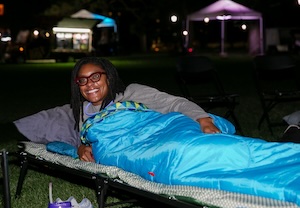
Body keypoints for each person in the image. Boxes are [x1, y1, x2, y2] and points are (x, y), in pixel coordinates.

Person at [70, 57, 220, 162]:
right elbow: (89, 140)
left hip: (159, 140)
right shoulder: (84, 112)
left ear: (108, 78)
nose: (89, 84)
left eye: (95, 77)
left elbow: (175, 103)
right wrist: (81, 148)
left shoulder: (131, 93)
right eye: (82, 80)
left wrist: (203, 119)